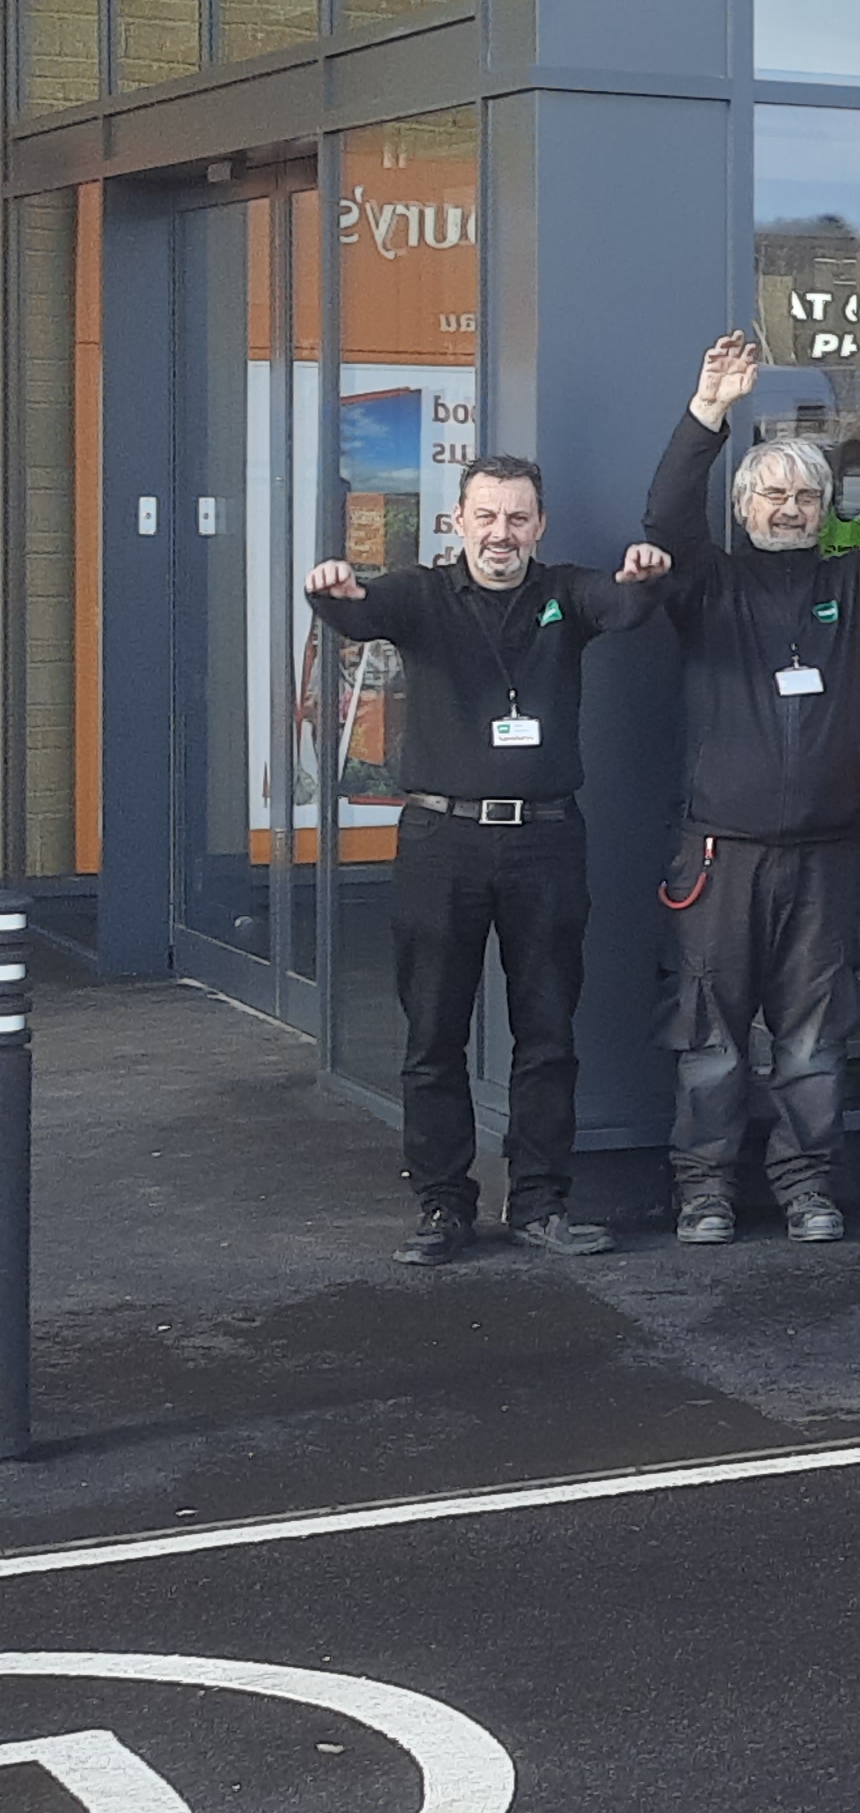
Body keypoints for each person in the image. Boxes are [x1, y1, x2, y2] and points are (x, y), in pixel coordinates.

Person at [641, 334, 860, 1245]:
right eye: (773, 495)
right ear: (744, 507)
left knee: (815, 1041)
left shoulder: (857, 587)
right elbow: (668, 519)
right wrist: (709, 409)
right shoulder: (708, 587)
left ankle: (806, 1184)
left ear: (828, 511)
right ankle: (703, 1188)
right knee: (708, 1038)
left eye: (805, 497)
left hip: (827, 853)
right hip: (720, 855)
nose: (789, 508)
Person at [301, 462, 671, 1263]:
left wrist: (641, 581)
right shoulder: (422, 596)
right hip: (443, 841)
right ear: (458, 522)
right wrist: (327, 589)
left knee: (547, 1031)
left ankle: (541, 1203)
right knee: (433, 1032)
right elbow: (357, 615)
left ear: (540, 526)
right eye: (487, 517)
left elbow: (622, 610)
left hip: (545, 840)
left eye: (518, 518)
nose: (501, 534)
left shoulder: (564, 593)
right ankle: (443, 1208)